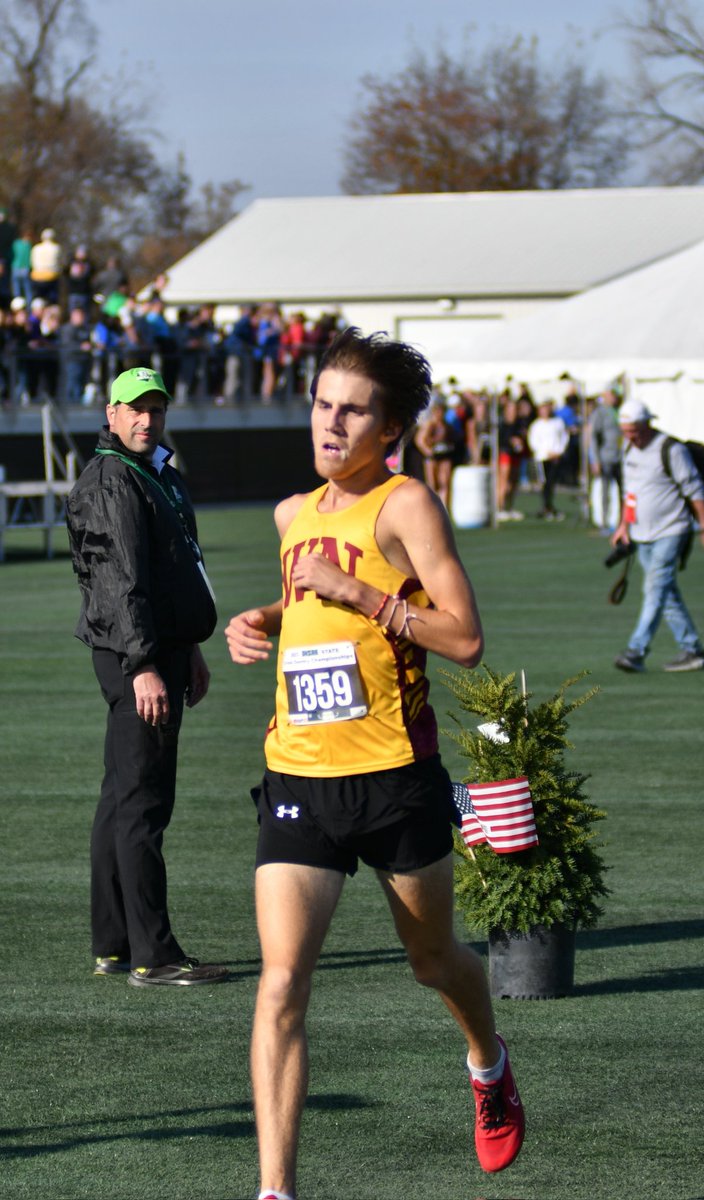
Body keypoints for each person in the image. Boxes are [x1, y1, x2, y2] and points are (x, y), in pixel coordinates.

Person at [225, 328, 525, 1200]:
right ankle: (276, 1190)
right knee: (281, 983)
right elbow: (305, 607)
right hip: (298, 777)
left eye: (351, 409)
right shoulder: (292, 515)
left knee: (435, 963)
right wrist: (266, 622)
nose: (330, 421)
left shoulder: (406, 507)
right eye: (322, 403)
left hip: (393, 776)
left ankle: (487, 1061)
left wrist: (361, 592)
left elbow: (464, 639)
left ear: (387, 428)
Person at [66, 366, 227, 986]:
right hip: (138, 656)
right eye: (134, 408)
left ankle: (113, 943)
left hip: (158, 648)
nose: (145, 418)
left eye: (155, 408)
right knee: (142, 804)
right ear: (110, 413)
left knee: (120, 799)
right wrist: (143, 665)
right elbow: (118, 583)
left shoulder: (149, 471)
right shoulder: (114, 480)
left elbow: (170, 571)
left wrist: (187, 647)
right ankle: (152, 955)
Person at [612, 399, 704, 673]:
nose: (630, 436)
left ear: (647, 424)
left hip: (672, 529)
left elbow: (695, 490)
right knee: (665, 593)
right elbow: (629, 493)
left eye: (634, 430)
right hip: (642, 534)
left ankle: (636, 650)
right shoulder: (629, 451)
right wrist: (624, 525)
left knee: (654, 589)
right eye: (626, 431)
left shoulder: (671, 449)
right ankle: (694, 650)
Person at [414, 395, 459, 510]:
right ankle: (433, 508)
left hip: (444, 455)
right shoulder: (430, 425)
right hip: (433, 456)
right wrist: (429, 451)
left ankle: (445, 508)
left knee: (445, 481)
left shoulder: (446, 425)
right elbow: (420, 440)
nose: (440, 413)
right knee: (433, 483)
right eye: (438, 410)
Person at [587, 387, 622, 534]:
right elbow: (593, 437)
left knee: (622, 491)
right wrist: (595, 459)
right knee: (604, 490)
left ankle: (620, 521)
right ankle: (603, 521)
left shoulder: (619, 411)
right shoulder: (599, 413)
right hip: (605, 457)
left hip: (619, 457)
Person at [527, 398, 569, 520]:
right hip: (542, 458)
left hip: (555, 457)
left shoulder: (558, 422)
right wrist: (546, 452)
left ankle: (549, 505)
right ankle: (546, 506)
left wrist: (558, 452)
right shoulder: (536, 425)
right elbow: (534, 442)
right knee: (543, 483)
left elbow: (564, 438)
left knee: (551, 482)